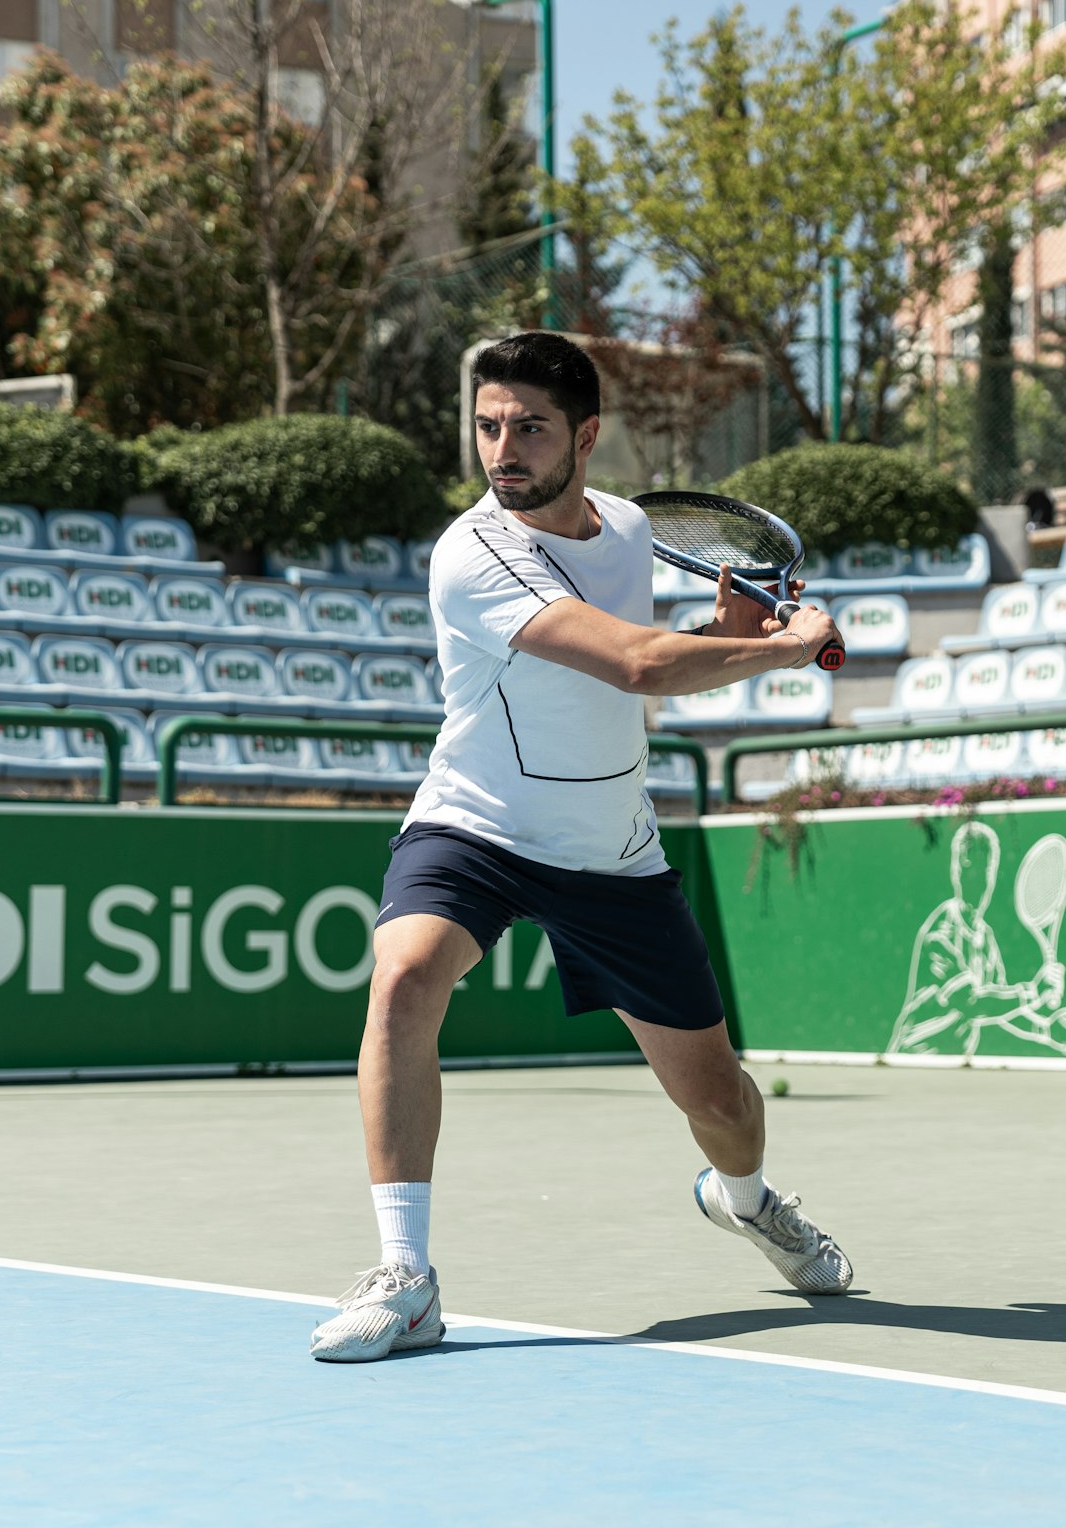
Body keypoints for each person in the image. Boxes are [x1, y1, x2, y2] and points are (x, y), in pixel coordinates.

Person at [311, 332, 852, 1362]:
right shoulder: (472, 553)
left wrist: (727, 626)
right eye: (487, 425)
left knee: (724, 1103)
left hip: (611, 851)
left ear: (587, 435)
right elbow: (638, 669)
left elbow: (660, 659)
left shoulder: (633, 530)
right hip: (476, 823)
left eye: (529, 427)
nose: (501, 448)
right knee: (405, 980)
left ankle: (744, 1201)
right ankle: (405, 1274)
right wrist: (780, 646)